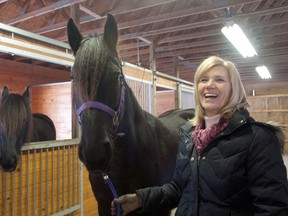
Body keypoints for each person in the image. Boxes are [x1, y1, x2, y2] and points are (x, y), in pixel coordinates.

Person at [111, 56, 288, 216]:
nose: (209, 84)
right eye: (203, 80)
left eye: (219, 80)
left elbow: (273, 207)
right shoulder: (189, 136)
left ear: (234, 89)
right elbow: (178, 189)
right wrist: (141, 199)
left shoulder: (258, 139)